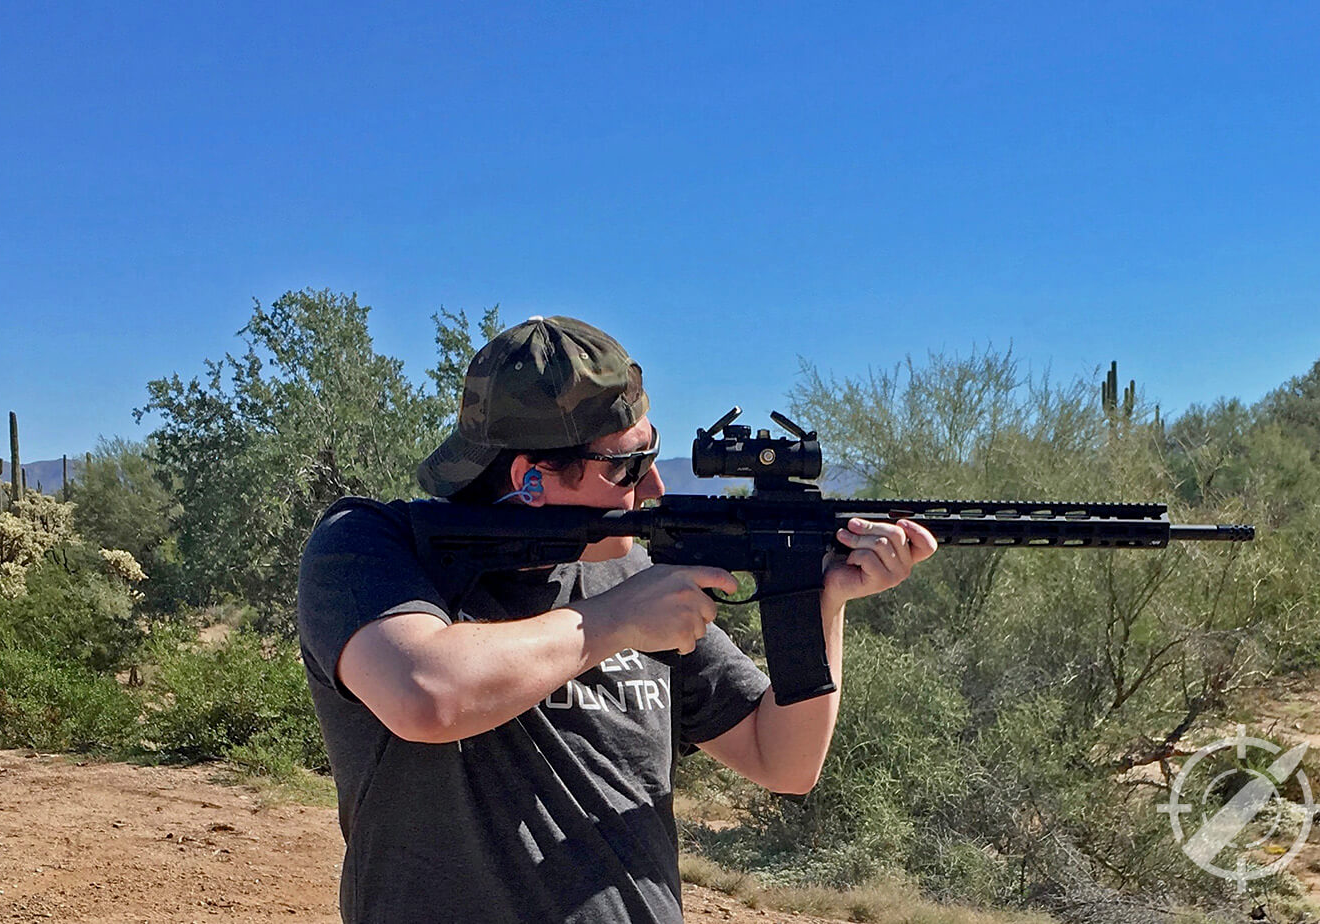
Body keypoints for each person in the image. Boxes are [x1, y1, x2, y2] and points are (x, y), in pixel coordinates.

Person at [296, 315, 937, 923]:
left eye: (651, 455)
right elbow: (426, 694)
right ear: (531, 480)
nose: (653, 486)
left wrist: (822, 598)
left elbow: (785, 760)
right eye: (627, 466)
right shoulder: (371, 547)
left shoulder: (628, 578)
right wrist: (613, 622)